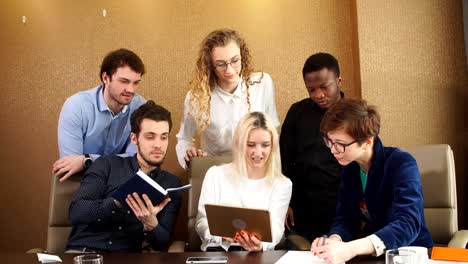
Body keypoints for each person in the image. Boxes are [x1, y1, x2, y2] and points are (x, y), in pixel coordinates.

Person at [310, 98, 433, 264]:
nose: (333, 150)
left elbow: (407, 223)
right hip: (375, 257)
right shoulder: (350, 169)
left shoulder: (401, 163)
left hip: (411, 254)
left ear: (367, 142)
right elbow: (345, 218)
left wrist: (351, 248)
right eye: (329, 142)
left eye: (340, 144)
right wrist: (335, 240)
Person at [66, 100, 182, 253]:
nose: (158, 145)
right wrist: (117, 203)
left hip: (128, 257)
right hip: (86, 252)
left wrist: (151, 224)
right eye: (150, 136)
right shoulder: (107, 164)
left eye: (163, 137)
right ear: (134, 139)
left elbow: (162, 243)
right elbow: (76, 212)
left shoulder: (171, 183)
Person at [176, 29, 280, 169]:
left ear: (242, 56)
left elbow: (273, 129)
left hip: (255, 168)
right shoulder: (196, 97)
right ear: (210, 65)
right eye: (220, 64)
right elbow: (184, 138)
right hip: (214, 171)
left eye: (235, 61)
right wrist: (189, 156)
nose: (230, 70)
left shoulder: (263, 83)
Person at [196, 112, 291, 251]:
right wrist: (219, 235)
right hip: (218, 252)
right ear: (239, 144)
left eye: (265, 145)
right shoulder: (215, 175)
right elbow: (201, 223)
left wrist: (260, 245)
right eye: (251, 145)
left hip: (257, 255)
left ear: (273, 147)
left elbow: (276, 228)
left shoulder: (282, 184)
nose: (258, 153)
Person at [53, 48, 146, 181]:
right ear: (105, 78)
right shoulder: (76, 106)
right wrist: (118, 163)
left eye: (136, 83)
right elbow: (70, 165)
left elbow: (135, 161)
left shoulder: (141, 108)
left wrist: (88, 160)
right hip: (80, 183)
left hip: (119, 184)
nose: (131, 89)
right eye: (124, 81)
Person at [279, 53, 343, 248]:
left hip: (341, 208)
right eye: (311, 89)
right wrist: (285, 202)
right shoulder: (297, 112)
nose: (318, 95)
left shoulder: (354, 114)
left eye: (324, 87)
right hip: (302, 210)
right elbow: (283, 159)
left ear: (339, 81)